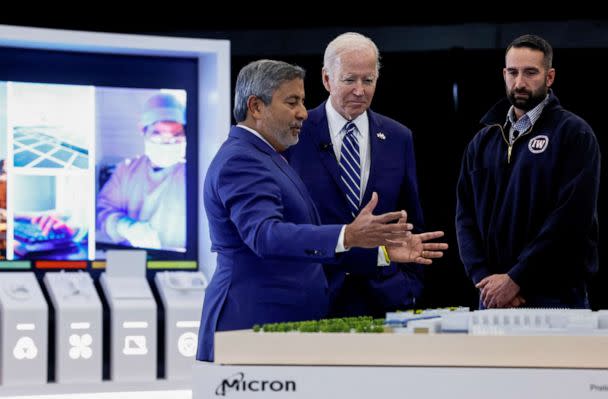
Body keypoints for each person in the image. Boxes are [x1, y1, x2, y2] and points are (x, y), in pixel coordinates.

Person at [196, 59, 441, 362]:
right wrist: (349, 234)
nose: (302, 112)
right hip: (251, 325)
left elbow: (301, 246)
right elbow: (265, 235)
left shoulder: (269, 156)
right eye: (292, 102)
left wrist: (381, 252)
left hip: (276, 329)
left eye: (302, 101)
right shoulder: (242, 160)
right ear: (256, 107)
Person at [287, 32, 447, 317]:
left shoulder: (399, 137)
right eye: (349, 80)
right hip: (313, 298)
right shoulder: (295, 133)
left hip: (383, 299)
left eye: (368, 80)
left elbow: (412, 218)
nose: (360, 90)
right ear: (327, 79)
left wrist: (409, 285)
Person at [456, 34, 600, 309]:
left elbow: (571, 220)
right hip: (493, 296)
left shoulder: (574, 134)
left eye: (530, 73)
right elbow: (465, 218)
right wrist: (485, 278)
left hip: (556, 297)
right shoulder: (482, 141)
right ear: (504, 74)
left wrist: (516, 278)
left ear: (550, 77)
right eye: (513, 72)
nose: (519, 83)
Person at [97, 92, 186, 250]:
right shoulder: (126, 170)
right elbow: (103, 211)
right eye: (158, 135)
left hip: (178, 267)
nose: (167, 143)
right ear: (143, 130)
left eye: (175, 136)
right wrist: (124, 226)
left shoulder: (195, 174)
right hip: (130, 261)